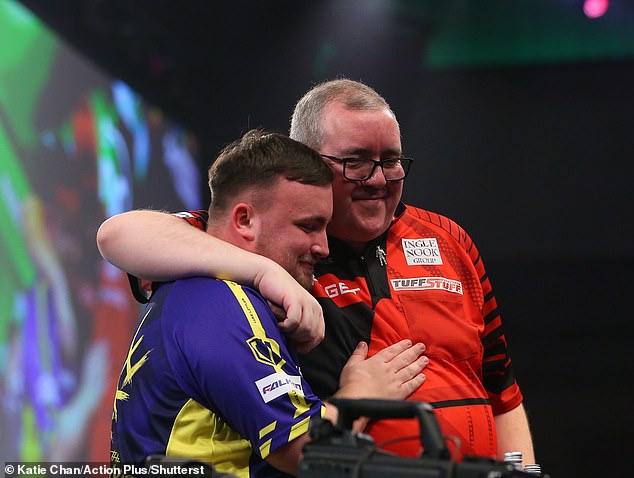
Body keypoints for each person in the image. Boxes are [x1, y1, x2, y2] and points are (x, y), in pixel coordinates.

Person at [98, 79, 535, 462]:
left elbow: (503, 390)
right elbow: (118, 234)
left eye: (392, 159)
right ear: (305, 160)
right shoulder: (271, 244)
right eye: (357, 161)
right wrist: (264, 273)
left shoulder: (450, 240)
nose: (379, 179)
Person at [108, 130, 428, 477]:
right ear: (244, 221)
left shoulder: (195, 280)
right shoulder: (223, 304)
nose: (323, 247)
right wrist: (363, 393)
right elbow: (307, 451)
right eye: (309, 226)